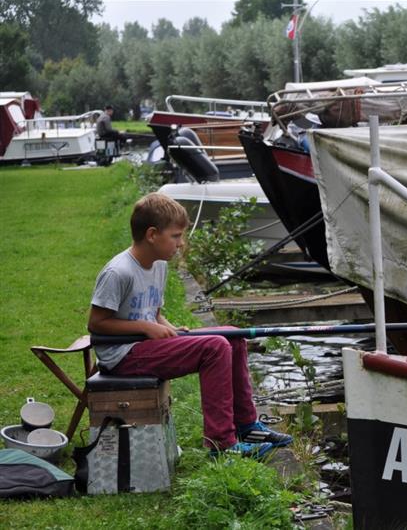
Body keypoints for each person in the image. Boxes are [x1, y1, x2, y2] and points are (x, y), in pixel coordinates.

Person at [87, 192, 292, 458]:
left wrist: (168, 328)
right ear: (152, 235)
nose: (181, 243)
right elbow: (97, 324)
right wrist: (146, 328)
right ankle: (221, 444)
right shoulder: (119, 272)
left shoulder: (158, 265)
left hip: (145, 345)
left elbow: (153, 313)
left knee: (232, 336)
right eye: (176, 236)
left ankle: (246, 426)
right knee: (215, 347)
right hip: (122, 356)